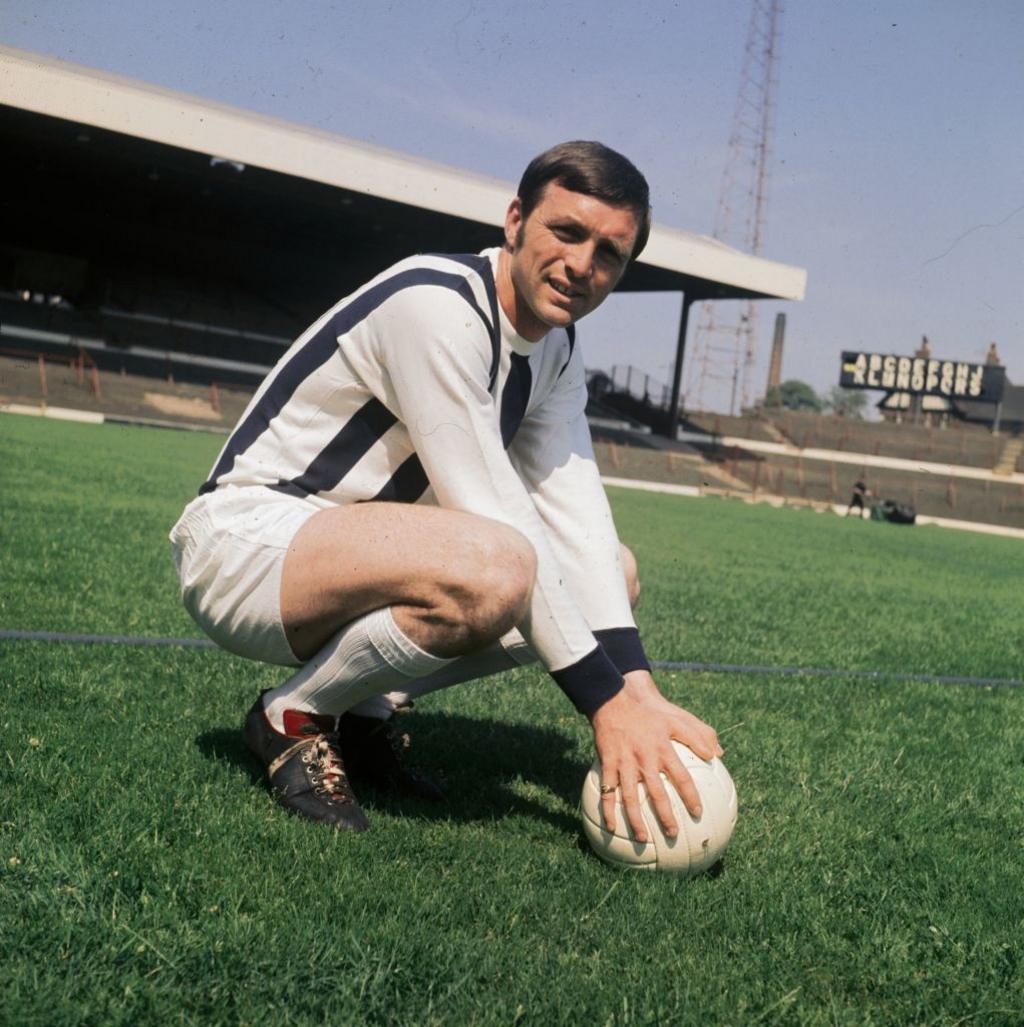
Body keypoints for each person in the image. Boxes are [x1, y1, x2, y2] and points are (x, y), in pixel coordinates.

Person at [169, 140, 722, 842]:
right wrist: (604, 705)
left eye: (610, 253)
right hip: (249, 545)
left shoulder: (555, 348)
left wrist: (638, 687)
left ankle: (363, 708)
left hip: (361, 554)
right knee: (498, 565)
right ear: (516, 219)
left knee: (612, 570)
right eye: (567, 231)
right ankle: (293, 716)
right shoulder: (436, 303)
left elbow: (575, 510)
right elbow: (491, 509)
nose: (583, 265)